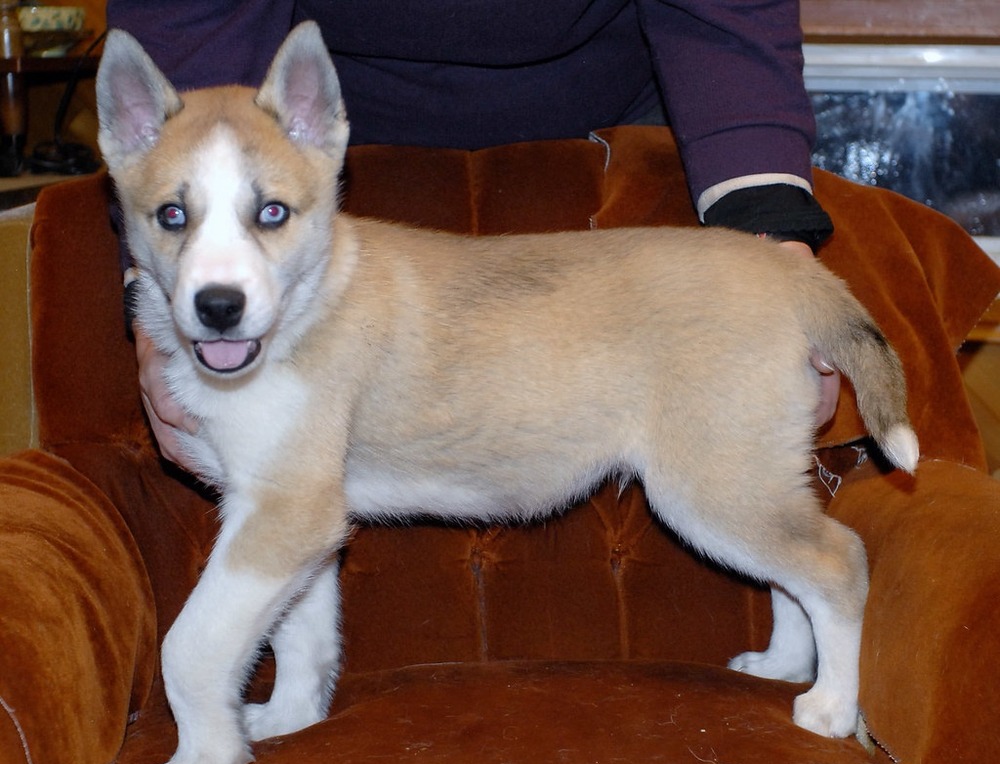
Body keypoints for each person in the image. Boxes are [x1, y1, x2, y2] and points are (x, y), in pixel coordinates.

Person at [105, 0, 840, 470]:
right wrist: (164, 306)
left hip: (615, 149)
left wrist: (773, 252)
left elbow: (728, 18)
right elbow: (186, 36)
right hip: (310, 169)